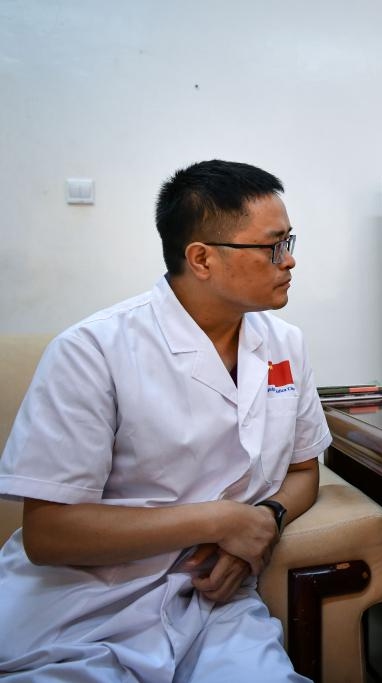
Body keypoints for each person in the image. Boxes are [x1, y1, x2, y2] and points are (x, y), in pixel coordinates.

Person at [0, 160, 331, 681]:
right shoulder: (94, 350)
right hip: (82, 611)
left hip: (211, 606)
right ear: (201, 258)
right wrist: (221, 520)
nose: (289, 261)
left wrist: (266, 519)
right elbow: (48, 533)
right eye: (272, 246)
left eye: (290, 241)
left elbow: (303, 471)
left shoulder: (285, 344)